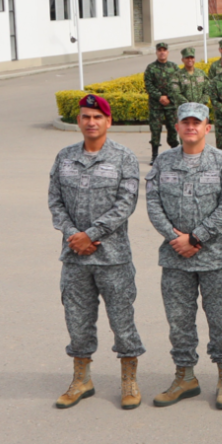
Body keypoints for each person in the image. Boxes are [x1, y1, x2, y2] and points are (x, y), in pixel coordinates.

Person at [49, 93, 145, 409]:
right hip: (74, 257)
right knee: (77, 319)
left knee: (122, 319)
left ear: (108, 121)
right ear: (78, 121)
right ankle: (81, 379)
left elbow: (125, 204)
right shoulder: (64, 157)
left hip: (113, 257)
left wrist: (90, 234)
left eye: (97, 117)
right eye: (86, 117)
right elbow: (55, 202)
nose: (91, 122)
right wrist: (73, 235)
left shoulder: (124, 157)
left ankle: (129, 380)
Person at [144, 102, 222, 409]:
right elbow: (152, 202)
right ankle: (185, 376)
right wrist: (175, 238)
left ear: (206, 128)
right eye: (185, 122)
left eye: (196, 122)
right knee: (179, 322)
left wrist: (196, 237)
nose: (190, 127)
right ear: (177, 127)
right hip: (175, 259)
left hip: (215, 259)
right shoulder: (163, 162)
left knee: (220, 321)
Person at [145, 41, 179, 161]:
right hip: (156, 105)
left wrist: (168, 97)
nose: (162, 52)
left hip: (171, 105)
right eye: (160, 50)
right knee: (155, 130)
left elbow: (177, 84)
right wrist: (160, 96)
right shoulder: (151, 68)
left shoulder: (174, 67)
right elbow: (148, 85)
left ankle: (175, 154)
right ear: (156, 52)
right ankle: (154, 156)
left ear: (167, 52)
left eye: (164, 50)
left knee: (173, 129)